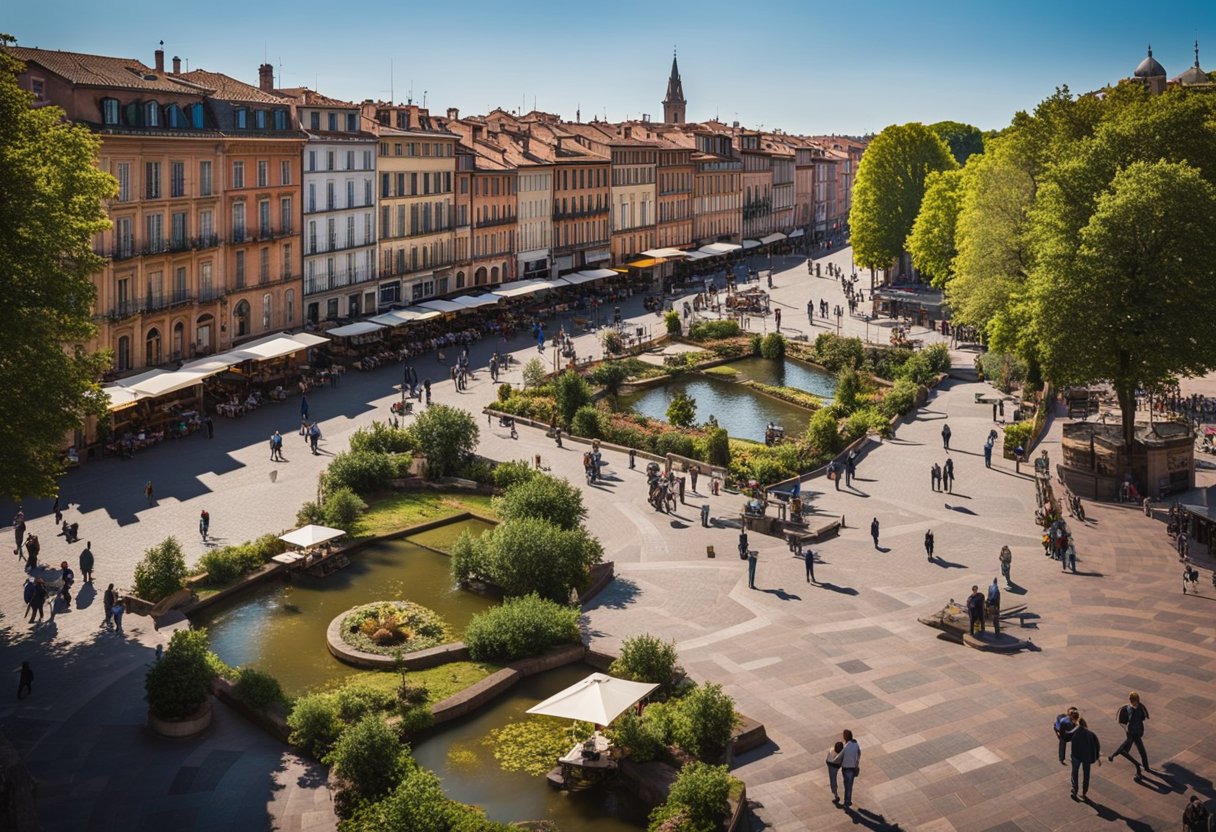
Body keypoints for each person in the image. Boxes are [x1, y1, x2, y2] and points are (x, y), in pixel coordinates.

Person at [1109, 692, 1150, 774]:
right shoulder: (1126, 709)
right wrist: (1126, 729)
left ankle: (1143, 766)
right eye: (1131, 700)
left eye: (1134, 701)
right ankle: (1140, 766)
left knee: (1127, 749)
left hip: (1137, 732)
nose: (1132, 702)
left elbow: (1143, 718)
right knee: (1131, 748)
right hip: (1131, 732)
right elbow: (1121, 722)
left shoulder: (1140, 707)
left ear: (1137, 700)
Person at [1070, 717, 1102, 801]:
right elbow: (1097, 746)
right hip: (1087, 757)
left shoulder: (1075, 732)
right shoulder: (1091, 734)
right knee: (1086, 774)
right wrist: (1097, 757)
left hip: (1076, 756)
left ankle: (1075, 790)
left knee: (1074, 772)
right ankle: (1084, 792)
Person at [839, 729, 861, 808]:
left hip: (846, 768)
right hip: (852, 768)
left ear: (845, 736)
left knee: (847, 786)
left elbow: (840, 756)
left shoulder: (845, 746)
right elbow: (859, 752)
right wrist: (857, 762)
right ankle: (848, 800)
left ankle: (846, 803)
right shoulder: (855, 744)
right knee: (849, 785)